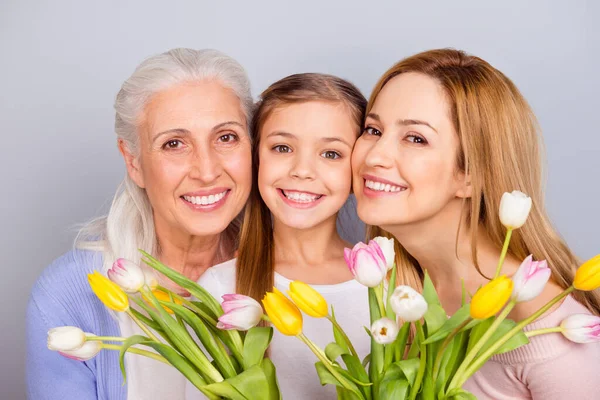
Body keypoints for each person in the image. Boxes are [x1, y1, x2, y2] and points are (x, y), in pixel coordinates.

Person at [351, 48, 600, 399]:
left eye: (416, 138)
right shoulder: (397, 295)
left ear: (470, 174)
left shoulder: (554, 341)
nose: (374, 156)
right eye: (373, 129)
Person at [26, 48, 254, 400]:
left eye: (226, 137)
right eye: (174, 144)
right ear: (133, 162)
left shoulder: (282, 273)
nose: (207, 170)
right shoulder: (69, 294)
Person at [186, 73, 369, 400]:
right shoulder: (221, 289)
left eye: (331, 154)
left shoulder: (387, 286)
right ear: (256, 157)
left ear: (358, 167)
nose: (302, 170)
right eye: (282, 147)